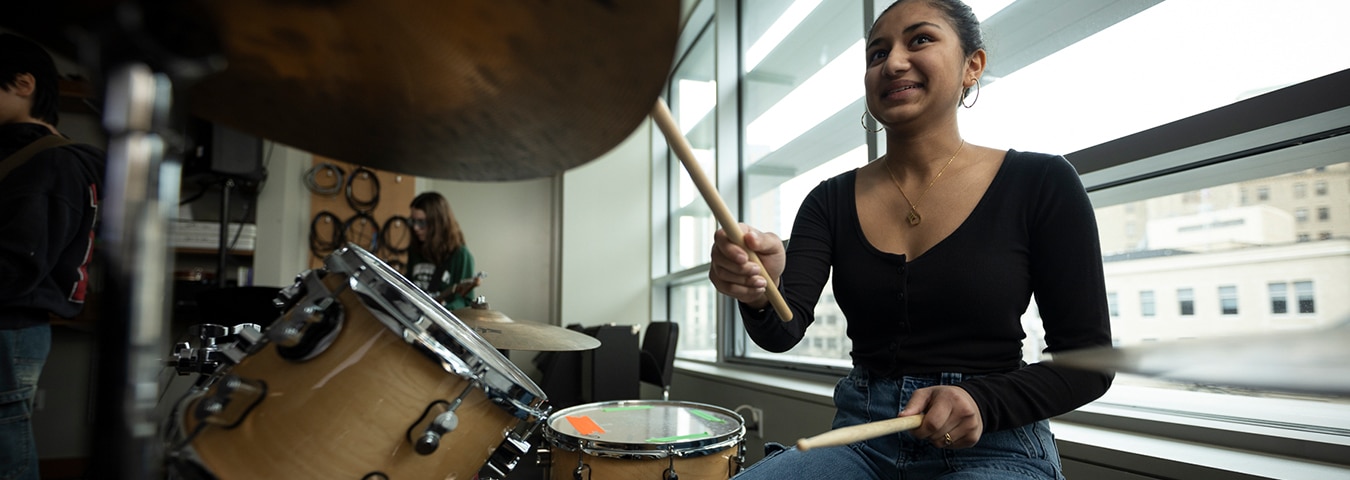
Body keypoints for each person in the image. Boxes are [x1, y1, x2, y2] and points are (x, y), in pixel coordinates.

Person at [709, 1, 1113, 478]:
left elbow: (1089, 363)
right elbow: (781, 331)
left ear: (972, 65)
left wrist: (980, 400)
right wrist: (761, 288)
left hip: (995, 441)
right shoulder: (828, 200)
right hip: (860, 439)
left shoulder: (1042, 181)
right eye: (877, 54)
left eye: (920, 40)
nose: (893, 62)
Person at [0, 33, 105, 480]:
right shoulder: (22, 156)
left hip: (8, 326)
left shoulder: (47, 162)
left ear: (24, 84)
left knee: (4, 450)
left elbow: (16, 264)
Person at [406, 192, 479, 310]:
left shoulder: (461, 255)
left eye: (421, 222)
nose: (415, 228)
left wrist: (447, 310)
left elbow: (465, 301)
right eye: (412, 221)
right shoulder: (415, 249)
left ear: (437, 223)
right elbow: (408, 283)